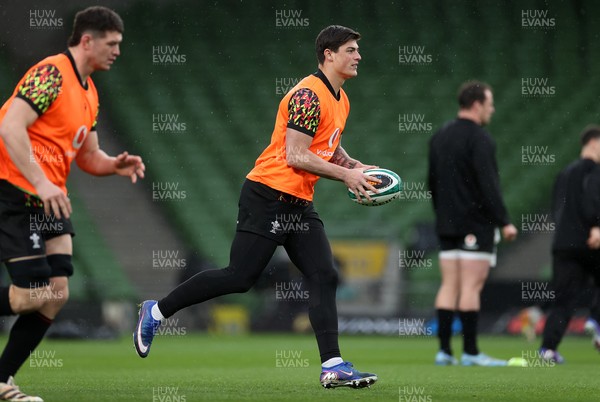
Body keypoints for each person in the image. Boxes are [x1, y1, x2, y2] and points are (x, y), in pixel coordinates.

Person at [134, 25, 378, 389]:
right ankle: (155, 312)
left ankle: (333, 366)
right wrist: (345, 178)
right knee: (240, 277)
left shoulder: (340, 98)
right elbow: (296, 154)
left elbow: (327, 146)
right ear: (328, 54)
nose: (358, 55)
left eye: (357, 49)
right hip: (268, 195)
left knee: (325, 275)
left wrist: (354, 166)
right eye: (351, 49)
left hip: (298, 202)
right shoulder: (309, 95)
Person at [0, 6, 144, 401]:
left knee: (57, 292)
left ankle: (1, 379)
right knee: (30, 296)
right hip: (14, 188)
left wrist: (114, 165)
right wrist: (41, 182)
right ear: (87, 41)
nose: (117, 51)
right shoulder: (51, 74)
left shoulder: (89, 91)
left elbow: (88, 157)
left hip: (48, 198)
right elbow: (10, 125)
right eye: (111, 43)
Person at [428, 81, 518, 366]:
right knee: (470, 287)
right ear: (477, 104)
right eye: (490, 104)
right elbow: (489, 185)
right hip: (475, 224)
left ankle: (444, 352)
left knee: (448, 286)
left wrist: (442, 214)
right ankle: (471, 352)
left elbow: (431, 182)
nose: (492, 109)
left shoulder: (440, 135)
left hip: (446, 224)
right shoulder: (480, 138)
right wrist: (504, 221)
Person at [539, 125, 600, 363]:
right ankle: (595, 321)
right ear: (594, 144)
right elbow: (593, 199)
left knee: (563, 300)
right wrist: (596, 225)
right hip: (590, 241)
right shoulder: (594, 171)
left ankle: (547, 349)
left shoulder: (564, 174)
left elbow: (557, 209)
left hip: (563, 244)